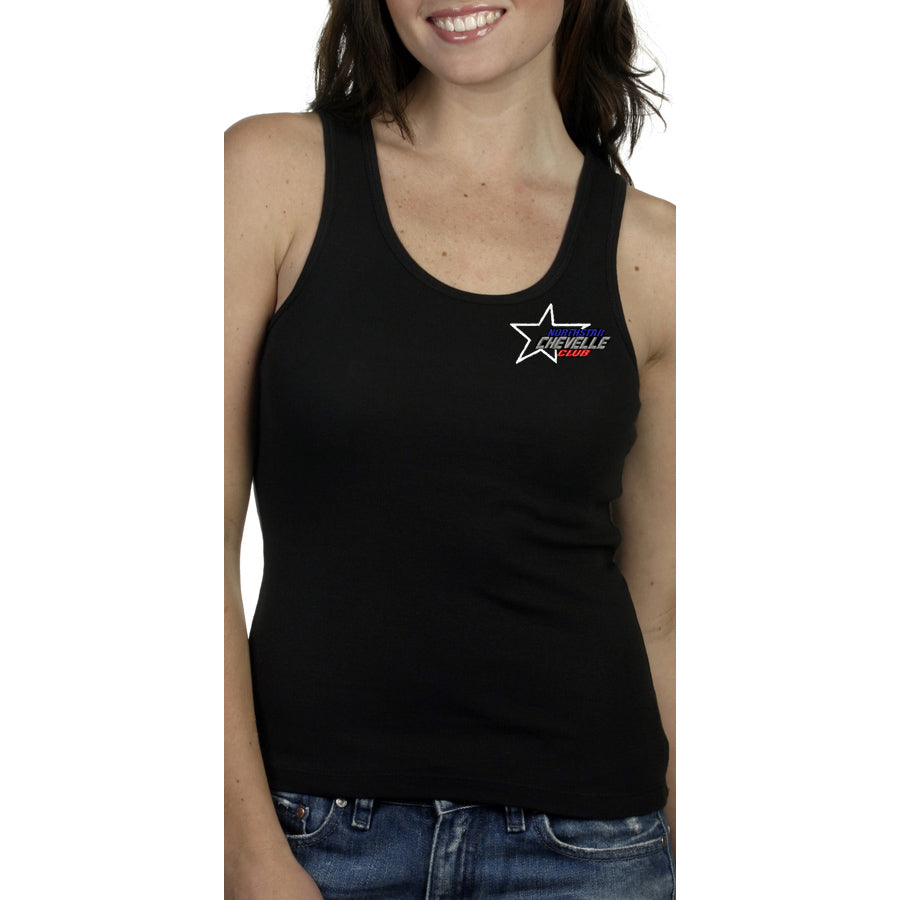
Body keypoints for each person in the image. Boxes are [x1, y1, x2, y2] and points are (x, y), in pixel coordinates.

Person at [225, 1, 674, 897]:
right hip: (313, 836)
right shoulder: (270, 177)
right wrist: (247, 851)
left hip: (592, 850)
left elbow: (662, 609)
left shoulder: (656, 254)